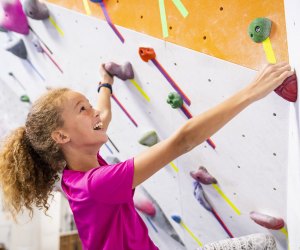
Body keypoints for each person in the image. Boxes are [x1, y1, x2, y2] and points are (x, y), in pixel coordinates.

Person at [0, 62, 293, 250]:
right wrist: (253, 91)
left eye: (88, 105)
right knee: (263, 244)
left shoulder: (76, 165)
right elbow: (183, 140)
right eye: (82, 109)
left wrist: (105, 81)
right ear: (62, 137)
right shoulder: (96, 184)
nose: (94, 113)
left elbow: (103, 113)